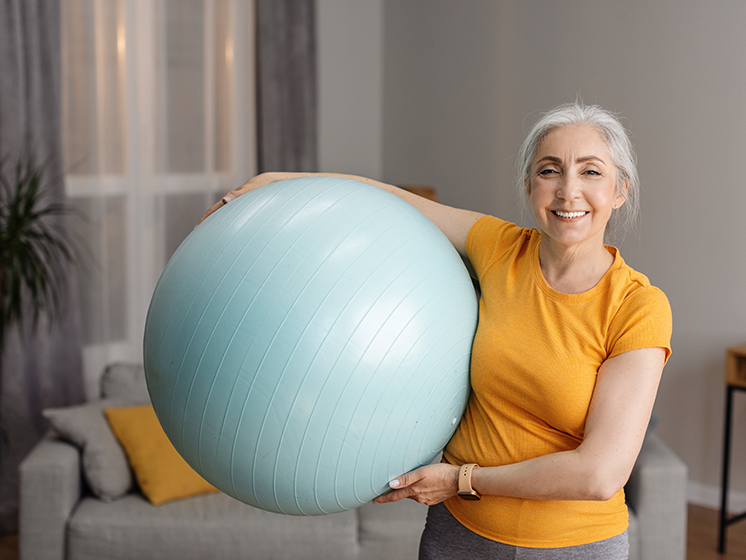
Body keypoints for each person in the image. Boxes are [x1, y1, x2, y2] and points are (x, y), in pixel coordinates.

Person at [199, 101, 671, 560]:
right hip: (460, 536)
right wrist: (279, 183)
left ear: (620, 190)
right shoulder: (500, 249)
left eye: (591, 172)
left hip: (574, 548)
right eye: (550, 170)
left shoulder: (637, 306)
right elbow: (386, 199)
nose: (569, 191)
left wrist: (461, 480)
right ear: (530, 185)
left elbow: (599, 474)